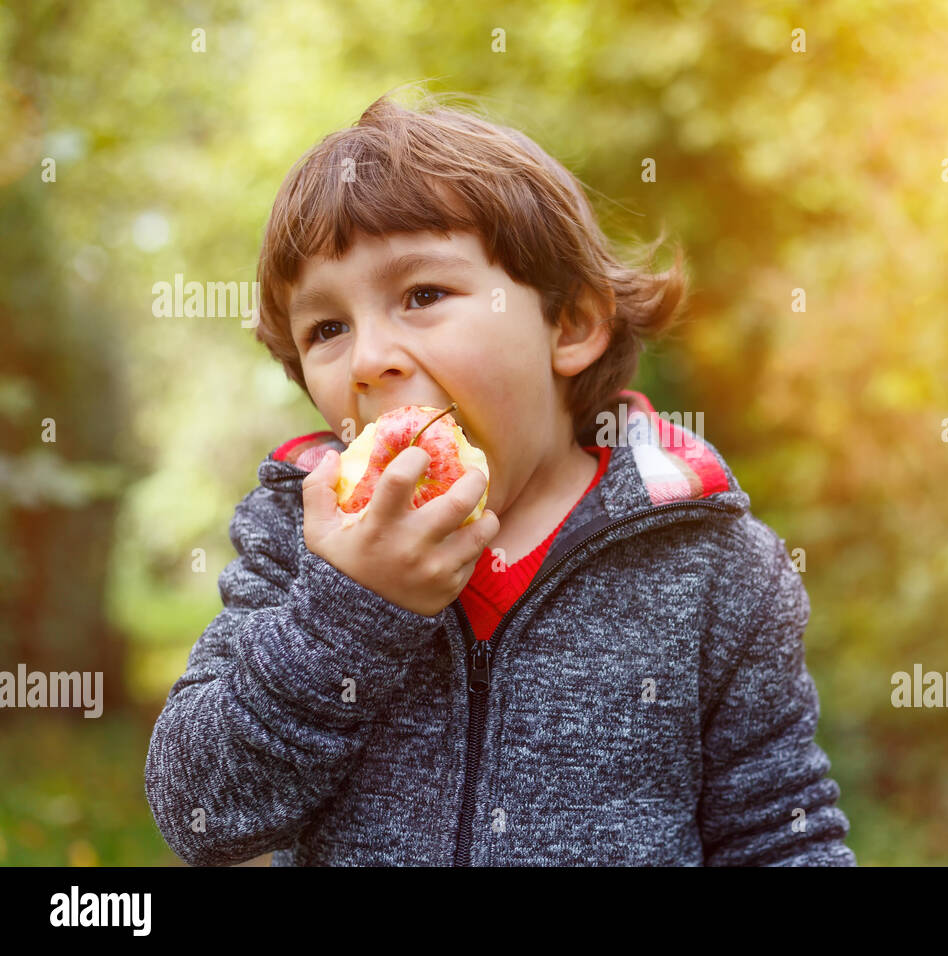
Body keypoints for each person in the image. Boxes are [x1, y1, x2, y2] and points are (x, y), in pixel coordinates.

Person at [144, 91, 855, 866]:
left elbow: (780, 835)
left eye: (422, 295)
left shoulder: (716, 567)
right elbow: (202, 816)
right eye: (327, 328)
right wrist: (349, 613)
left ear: (571, 324)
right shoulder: (302, 540)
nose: (368, 358)